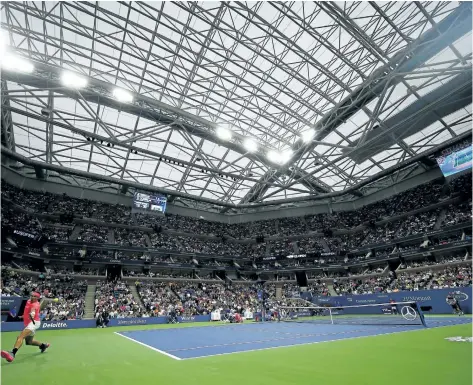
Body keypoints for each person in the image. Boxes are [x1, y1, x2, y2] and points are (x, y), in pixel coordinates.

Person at [1, 292, 50, 363]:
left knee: (20, 337)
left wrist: (32, 315)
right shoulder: (28, 301)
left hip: (34, 323)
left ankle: (12, 353)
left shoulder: (35, 305)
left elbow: (33, 311)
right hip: (28, 323)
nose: (32, 297)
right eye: (31, 295)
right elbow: (27, 310)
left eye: (34, 296)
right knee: (29, 342)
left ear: (37, 298)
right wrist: (23, 316)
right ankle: (43, 346)